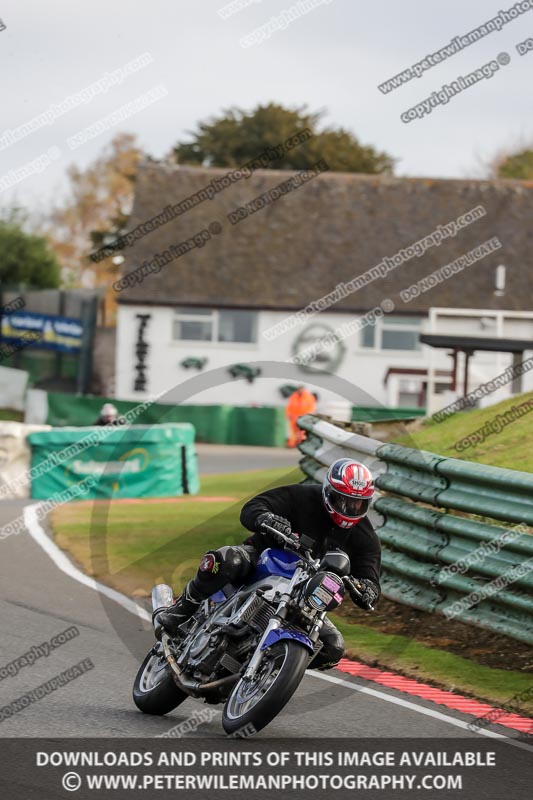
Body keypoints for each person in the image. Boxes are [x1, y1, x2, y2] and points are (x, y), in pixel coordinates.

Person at [156, 458, 381, 671]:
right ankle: (181, 610)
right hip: (264, 556)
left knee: (333, 648)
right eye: (343, 500)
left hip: (306, 589)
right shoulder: (303, 496)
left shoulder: (365, 535)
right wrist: (266, 518)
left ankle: (270, 672)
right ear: (328, 492)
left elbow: (370, 576)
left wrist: (367, 590)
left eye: (358, 504)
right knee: (225, 560)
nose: (349, 509)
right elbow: (254, 506)